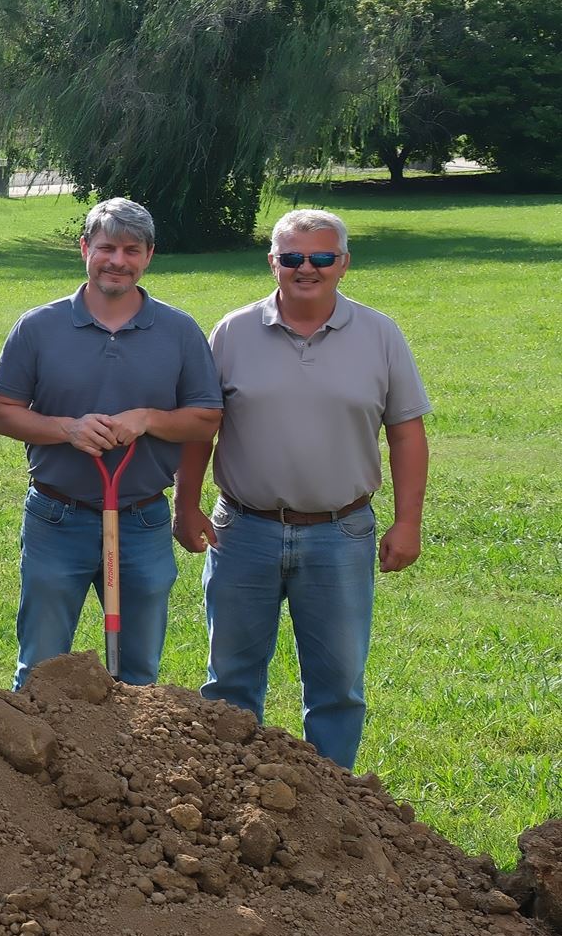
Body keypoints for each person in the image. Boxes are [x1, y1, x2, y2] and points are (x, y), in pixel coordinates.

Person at [179, 210, 430, 769]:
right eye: (292, 258)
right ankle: (230, 794)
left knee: (338, 685)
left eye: (321, 257)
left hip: (341, 531)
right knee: (231, 682)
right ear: (273, 263)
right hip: (242, 530)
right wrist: (186, 504)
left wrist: (408, 521)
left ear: (343, 263)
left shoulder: (380, 335)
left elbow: (407, 433)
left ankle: (335, 808)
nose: (306, 269)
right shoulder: (233, 332)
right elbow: (201, 429)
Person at [0, 196, 221, 689]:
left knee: (137, 673)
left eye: (131, 249)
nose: (118, 260)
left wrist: (147, 420)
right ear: (84, 249)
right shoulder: (38, 327)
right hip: (57, 516)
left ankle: (128, 763)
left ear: (148, 256)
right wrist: (66, 429)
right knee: (40, 670)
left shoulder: (178, 332)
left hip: (142, 518)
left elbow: (206, 420)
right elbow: (1, 413)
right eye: (106, 247)